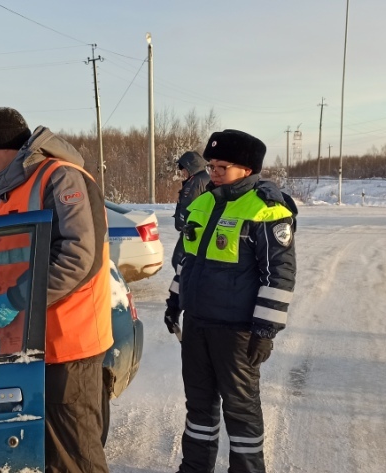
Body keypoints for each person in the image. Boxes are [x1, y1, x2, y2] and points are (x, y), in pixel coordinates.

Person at [0, 107, 112, 473]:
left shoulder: (58, 178)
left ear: (2, 148)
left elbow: (78, 257)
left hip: (67, 347)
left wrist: (15, 300)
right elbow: (7, 271)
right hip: (31, 349)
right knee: (45, 458)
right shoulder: (11, 193)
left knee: (73, 459)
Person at [165, 129, 297, 473]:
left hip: (236, 332)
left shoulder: (266, 210)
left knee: (240, 411)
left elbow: (279, 276)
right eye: (211, 165)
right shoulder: (203, 203)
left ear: (247, 169)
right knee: (199, 407)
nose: (214, 172)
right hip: (197, 326)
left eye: (223, 166)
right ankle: (194, 467)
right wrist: (174, 301)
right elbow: (187, 261)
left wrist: (265, 330)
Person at [171, 151, 211, 269]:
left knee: (179, 261)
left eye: (184, 169)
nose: (182, 172)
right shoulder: (204, 178)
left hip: (191, 229)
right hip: (197, 228)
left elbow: (188, 205)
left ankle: (185, 285)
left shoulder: (195, 181)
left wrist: (182, 224)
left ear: (191, 166)